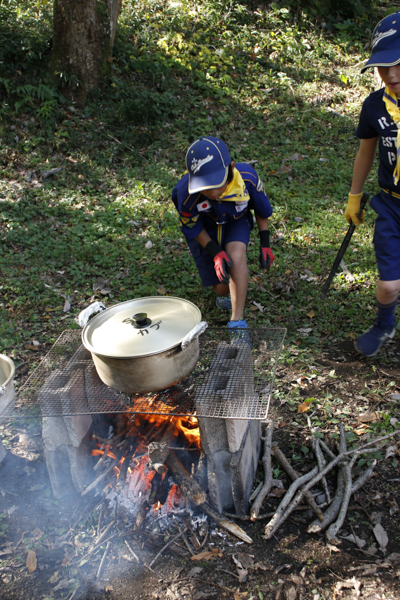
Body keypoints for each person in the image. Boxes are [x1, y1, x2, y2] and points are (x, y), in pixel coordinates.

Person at [172, 135, 274, 334]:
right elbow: (191, 225)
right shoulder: (184, 192)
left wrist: (265, 242)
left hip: (236, 221)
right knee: (221, 288)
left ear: (231, 167)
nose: (211, 192)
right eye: (205, 185)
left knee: (235, 257)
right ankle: (224, 293)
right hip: (206, 229)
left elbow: (262, 211)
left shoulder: (247, 177)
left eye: (215, 183)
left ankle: (237, 321)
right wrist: (214, 251)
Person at [345, 12, 400, 357]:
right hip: (391, 204)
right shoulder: (373, 106)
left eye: (398, 63)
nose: (391, 75)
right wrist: (354, 196)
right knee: (388, 285)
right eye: (382, 67)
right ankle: (384, 324)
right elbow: (366, 152)